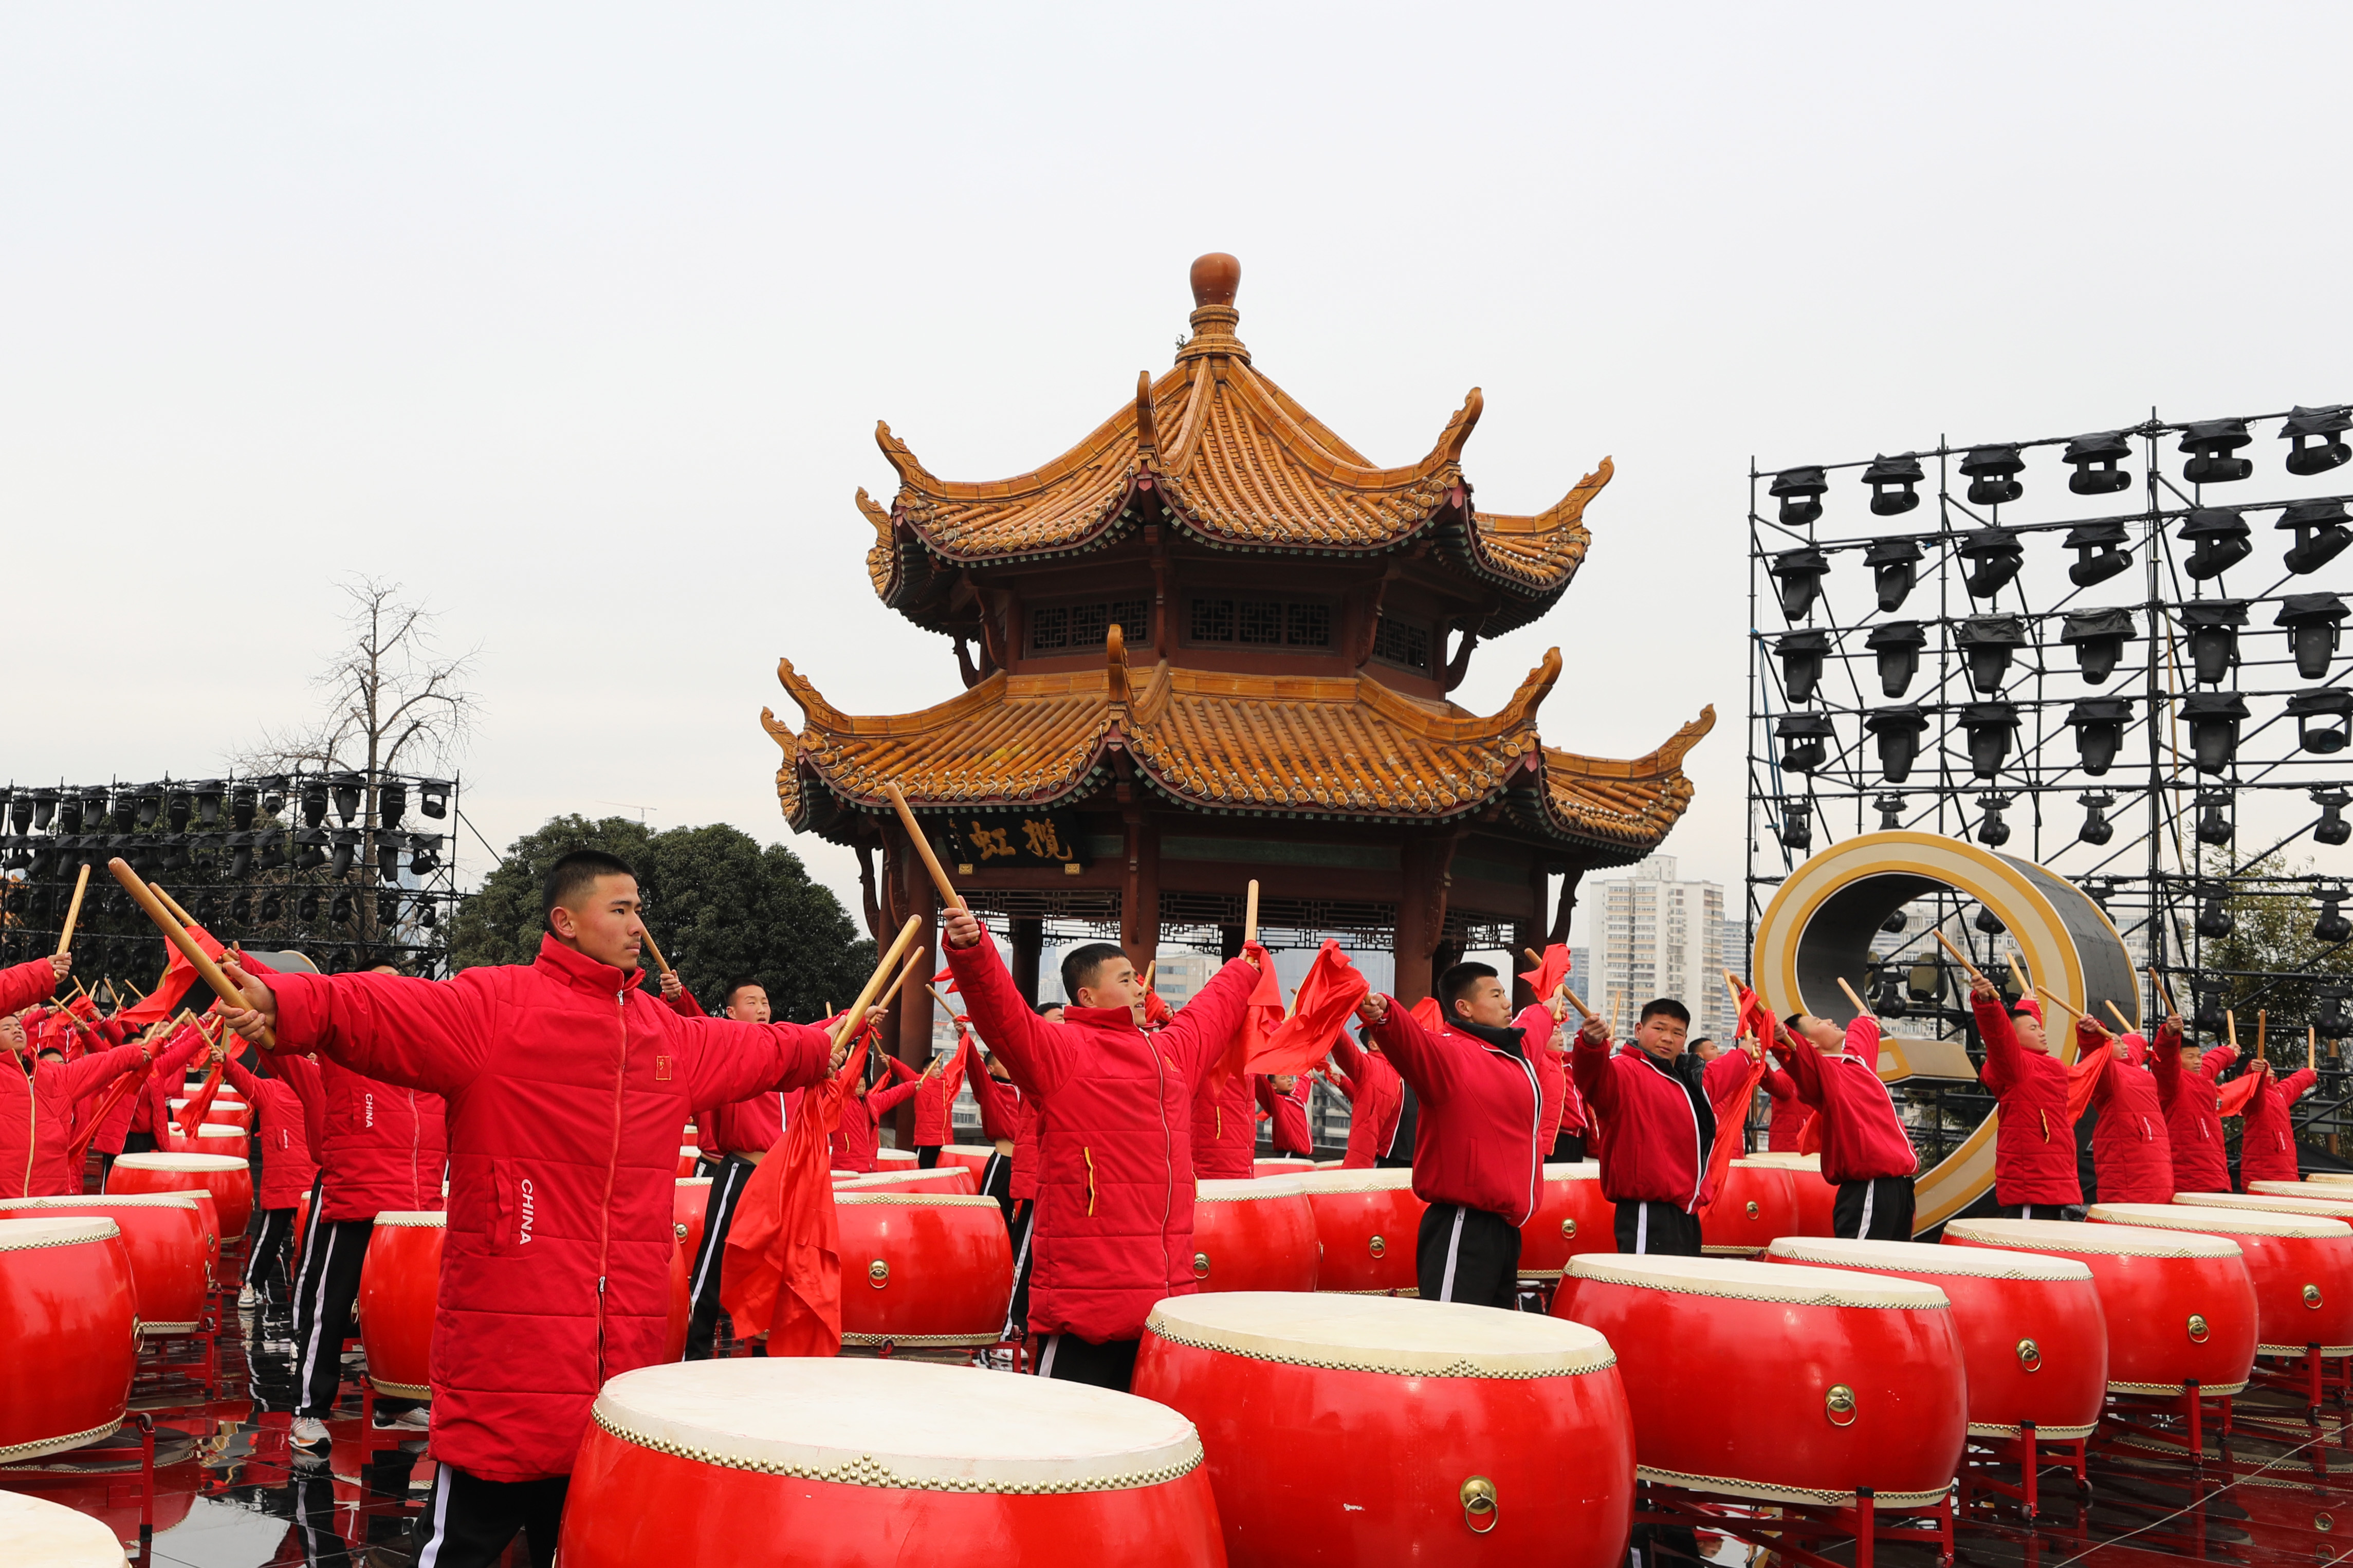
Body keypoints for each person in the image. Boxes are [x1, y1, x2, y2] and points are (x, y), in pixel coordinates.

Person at [213, 849, 849, 1568]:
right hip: (510, 1356)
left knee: (581, 1547)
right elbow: (380, 1006)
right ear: (565, 920)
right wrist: (293, 1001)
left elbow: (751, 1049)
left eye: (639, 907)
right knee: (460, 1549)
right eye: (621, 908)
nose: (638, 923)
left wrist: (817, 1046)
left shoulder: (662, 1035)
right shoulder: (495, 1008)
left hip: (620, 1355)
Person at [942, 911, 1258, 1390]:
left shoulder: (1170, 1055)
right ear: (1086, 996)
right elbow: (1002, 1013)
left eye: (1138, 980)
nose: (1139, 989)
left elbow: (1213, 1011)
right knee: (1067, 1445)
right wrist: (973, 950)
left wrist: (1245, 968)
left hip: (1162, 1304)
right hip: (1084, 1308)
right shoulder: (1061, 1050)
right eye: (1127, 979)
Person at [270, 963, 450, 1458]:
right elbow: (281, 1025)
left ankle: (395, 1399)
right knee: (330, 1309)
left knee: (399, 1313)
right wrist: (245, 979)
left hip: (412, 1215)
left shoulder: (433, 1059)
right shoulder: (343, 1049)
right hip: (356, 1196)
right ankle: (309, 1410)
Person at [1352, 963, 1548, 1307]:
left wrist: (1548, 1003)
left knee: (1491, 1346)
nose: (1507, 1003)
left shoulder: (1514, 1054)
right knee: (1452, 1340)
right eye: (1497, 994)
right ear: (1465, 1007)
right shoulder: (1450, 1054)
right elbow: (1411, 1041)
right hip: (1463, 1223)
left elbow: (1535, 1024)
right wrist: (1384, 1014)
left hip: (1506, 1228)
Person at [682, 979, 804, 1361]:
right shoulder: (727, 1049)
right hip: (740, 1173)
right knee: (714, 1265)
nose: (763, 1008)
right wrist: (680, 998)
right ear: (732, 1013)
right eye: (753, 1002)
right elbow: (696, 1024)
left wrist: (858, 1017)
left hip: (779, 1179)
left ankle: (763, 1358)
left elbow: (820, 1033)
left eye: (766, 1001)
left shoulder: (787, 1053)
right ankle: (692, 1353)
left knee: (773, 1271)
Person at [1572, 998, 1754, 1256]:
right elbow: (1591, 1075)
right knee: (1647, 1291)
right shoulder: (1622, 1072)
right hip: (1646, 1210)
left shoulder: (1688, 1080)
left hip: (1686, 1213)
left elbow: (1720, 1075)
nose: (1668, 1038)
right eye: (1659, 1028)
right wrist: (1590, 1043)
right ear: (1638, 1030)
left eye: (1677, 1033)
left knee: (1678, 1292)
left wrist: (1745, 1053)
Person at [1, 952, 182, 1198]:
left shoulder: (55, 1076)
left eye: (18, 1026)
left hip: (46, 1208)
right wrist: (41, 975)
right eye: (6, 1027)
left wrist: (135, 1054)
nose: (16, 1030)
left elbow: (102, 1063)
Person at [1768, 1009, 1918, 1239]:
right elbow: (1797, 1055)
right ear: (1811, 1043)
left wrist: (1865, 1021)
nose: (1829, 1019)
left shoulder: (1856, 1065)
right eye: (1819, 1021)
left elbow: (1861, 1043)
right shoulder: (1825, 1073)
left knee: (1890, 1271)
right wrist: (1782, 1037)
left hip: (1899, 1186)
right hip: (1870, 1187)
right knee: (1858, 1268)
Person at [1970, 982, 2082, 1219]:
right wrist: (1987, 1004)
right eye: (2033, 1029)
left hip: (2052, 1178)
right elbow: (1999, 1035)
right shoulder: (2016, 1067)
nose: (2042, 1032)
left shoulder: (2044, 1067)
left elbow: (2014, 1026)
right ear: (2014, 1037)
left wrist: (2029, 1005)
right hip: (2031, 1183)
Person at [224, 1049, 319, 1307]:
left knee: (298, 1241)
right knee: (274, 1239)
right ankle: (253, 1285)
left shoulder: (322, 1088)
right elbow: (244, 1080)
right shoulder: (274, 1090)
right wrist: (226, 1062)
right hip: (291, 1179)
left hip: (308, 1180)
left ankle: (257, 1286)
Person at [2077, 1023, 2174, 1204]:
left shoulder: (2132, 1068)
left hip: (2152, 1151)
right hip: (2132, 1155)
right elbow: (2095, 1053)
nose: (2125, 1047)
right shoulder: (2106, 1073)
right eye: (2118, 1043)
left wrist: (2135, 1039)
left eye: (2123, 1042)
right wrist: (2090, 1036)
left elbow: (2133, 1049)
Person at [2152, 1013, 2233, 1194]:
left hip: (2213, 1169)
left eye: (2199, 1056)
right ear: (2177, 1058)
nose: (2197, 1061)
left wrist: (2230, 1052)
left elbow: (2213, 1062)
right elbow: (2163, 1060)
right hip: (2189, 1173)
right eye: (2190, 1056)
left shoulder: (2200, 1079)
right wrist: (2169, 1035)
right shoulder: (2171, 1082)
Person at [829, 1042, 921, 1173]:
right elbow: (833, 1086)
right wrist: (841, 1074)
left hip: (870, 1166)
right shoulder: (840, 1102)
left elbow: (892, 1095)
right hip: (845, 1167)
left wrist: (911, 1087)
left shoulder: (871, 1102)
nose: (862, 1089)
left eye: (863, 1086)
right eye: (858, 1086)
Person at [888, 1029, 975, 1168]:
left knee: (943, 1172)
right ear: (925, 1070)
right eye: (935, 1068)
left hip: (945, 1140)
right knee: (924, 1172)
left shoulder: (948, 1084)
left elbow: (959, 1064)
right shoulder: (920, 1081)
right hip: (927, 1140)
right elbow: (905, 1072)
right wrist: (892, 1062)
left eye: (940, 1068)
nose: (938, 1070)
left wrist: (963, 1041)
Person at [1326, 1028, 1406, 1168]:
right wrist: (1332, 1021)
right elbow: (1345, 1049)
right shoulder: (1370, 1066)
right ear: (1373, 1045)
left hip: (1414, 1158)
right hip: (1384, 1157)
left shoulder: (1405, 1067)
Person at [2237, 1050, 2319, 1186]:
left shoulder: (2276, 1094)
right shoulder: (2251, 1095)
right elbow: (2254, 1088)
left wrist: (2308, 1075)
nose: (2272, 1071)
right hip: (2265, 1176)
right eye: (2267, 1068)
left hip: (2284, 1170)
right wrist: (2254, 1071)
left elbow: (2293, 1084)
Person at [1256, 1072, 1312, 1158]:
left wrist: (1308, 1074)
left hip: (1302, 1157)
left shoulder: (1298, 1099)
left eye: (1289, 1077)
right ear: (1273, 1086)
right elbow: (1260, 1084)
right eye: (1283, 1078)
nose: (1289, 1080)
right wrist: (1256, 1070)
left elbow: (1304, 1084)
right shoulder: (1277, 1102)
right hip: (1288, 1155)